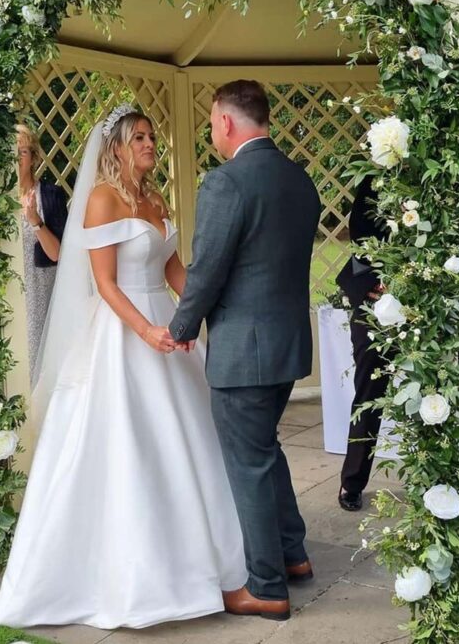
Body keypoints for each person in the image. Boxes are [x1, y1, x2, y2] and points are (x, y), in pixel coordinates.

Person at [0, 105, 246, 629]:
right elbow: (105, 284)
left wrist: (197, 318)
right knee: (129, 441)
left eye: (153, 136)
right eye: (141, 138)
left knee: (188, 439)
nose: (151, 144)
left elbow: (175, 270)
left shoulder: (154, 198)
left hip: (167, 328)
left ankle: (206, 560)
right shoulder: (103, 200)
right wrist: (147, 331)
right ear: (117, 147)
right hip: (123, 330)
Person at [167, 80, 322, 621]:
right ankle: (294, 555)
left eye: (212, 122)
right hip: (286, 347)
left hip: (244, 352)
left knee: (249, 463)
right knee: (266, 450)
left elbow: (207, 267)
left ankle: (267, 586)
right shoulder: (299, 180)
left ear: (227, 122)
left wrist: (183, 324)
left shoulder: (227, 182)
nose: (212, 131)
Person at [335, 174, 459, 544]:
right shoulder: (374, 181)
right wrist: (382, 280)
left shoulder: (439, 184)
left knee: (457, 401)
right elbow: (360, 236)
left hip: (429, 308)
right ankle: (351, 482)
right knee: (369, 396)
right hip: (376, 302)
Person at [16, 124, 68, 383]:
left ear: (34, 157)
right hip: (9, 297)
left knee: (41, 368)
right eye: (12, 153)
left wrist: (36, 221)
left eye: (22, 152)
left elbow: (59, 254)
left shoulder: (51, 196)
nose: (16, 159)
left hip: (41, 297)